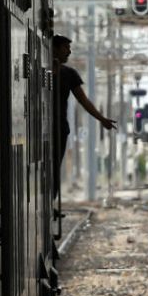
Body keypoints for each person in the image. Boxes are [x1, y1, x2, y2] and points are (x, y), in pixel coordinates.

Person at [52, 35, 117, 209]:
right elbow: (83, 101)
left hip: (59, 129)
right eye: (65, 47)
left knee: (53, 170)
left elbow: (83, 101)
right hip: (55, 129)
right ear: (55, 49)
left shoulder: (69, 74)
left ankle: (50, 199)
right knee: (51, 170)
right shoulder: (52, 72)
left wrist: (101, 119)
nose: (69, 51)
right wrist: (101, 119)